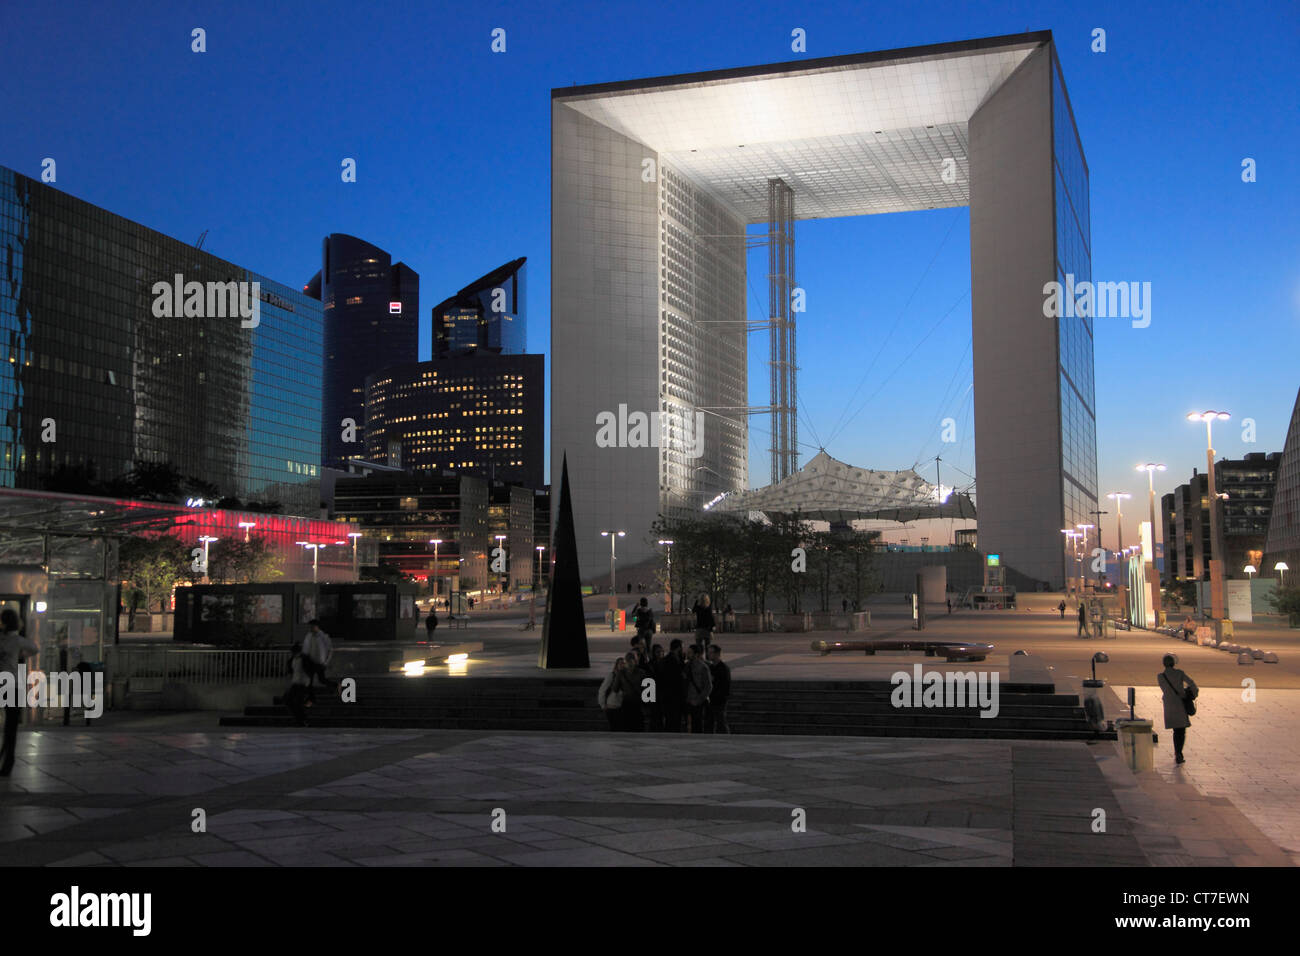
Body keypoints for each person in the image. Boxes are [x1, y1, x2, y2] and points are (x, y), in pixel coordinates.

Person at [0, 608, 39, 776]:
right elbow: (34, 648)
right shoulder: (17, 641)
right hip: (13, 685)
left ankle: (4, 755)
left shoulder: (1, 640)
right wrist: (22, 655)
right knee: (11, 725)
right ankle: (8, 760)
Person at [1158, 654, 1198, 764]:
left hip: (1169, 705)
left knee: (1176, 730)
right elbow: (1192, 683)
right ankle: (1179, 753)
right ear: (1174, 663)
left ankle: (1178, 753)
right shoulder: (1180, 673)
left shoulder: (1160, 676)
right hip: (1180, 703)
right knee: (1181, 730)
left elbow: (1165, 689)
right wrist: (1193, 694)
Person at [301, 619, 336, 702]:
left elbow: (330, 650)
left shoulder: (323, 636)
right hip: (310, 662)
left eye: (312, 627)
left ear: (317, 626)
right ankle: (311, 698)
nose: (310, 628)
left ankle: (335, 686)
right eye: (310, 627)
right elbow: (306, 648)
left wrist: (326, 662)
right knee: (310, 680)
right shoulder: (309, 636)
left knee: (322, 679)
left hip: (320, 663)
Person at [657, 639, 687, 732]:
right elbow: (678, 677)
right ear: (678, 648)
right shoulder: (673, 660)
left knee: (671, 720)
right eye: (682, 647)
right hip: (673, 696)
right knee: (673, 720)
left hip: (668, 695)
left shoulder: (666, 660)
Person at [684, 644, 713, 733]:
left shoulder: (703, 667)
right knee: (688, 725)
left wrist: (698, 700)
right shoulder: (686, 666)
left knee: (697, 724)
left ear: (696, 654)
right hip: (688, 700)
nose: (687, 654)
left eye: (690, 653)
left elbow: (708, 686)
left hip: (697, 701)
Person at [283, 642, 311, 727]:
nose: (294, 654)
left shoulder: (304, 659)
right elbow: (291, 672)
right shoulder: (291, 660)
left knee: (298, 702)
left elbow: (309, 671)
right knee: (288, 700)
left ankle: (302, 720)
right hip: (295, 683)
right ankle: (300, 719)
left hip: (303, 684)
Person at [706, 644, 731, 733]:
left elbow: (725, 687)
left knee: (721, 722)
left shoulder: (723, 669)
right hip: (711, 699)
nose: (708, 655)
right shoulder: (710, 667)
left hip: (720, 700)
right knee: (710, 722)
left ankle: (726, 738)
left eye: (710, 653)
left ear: (717, 654)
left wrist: (719, 697)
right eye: (708, 652)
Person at [619, 651, 645, 732]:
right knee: (638, 726)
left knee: (628, 727)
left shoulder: (622, 673)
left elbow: (615, 689)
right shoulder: (642, 672)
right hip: (637, 702)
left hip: (627, 702)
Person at [597, 658, 626, 730]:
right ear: (616, 665)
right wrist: (603, 705)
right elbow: (602, 690)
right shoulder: (612, 675)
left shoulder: (626, 676)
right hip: (612, 707)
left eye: (624, 663)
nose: (623, 665)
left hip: (621, 707)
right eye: (621, 663)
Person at [647, 644, 666, 731]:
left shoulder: (666, 663)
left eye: (661, 651)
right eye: (658, 652)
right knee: (654, 715)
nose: (660, 654)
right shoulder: (650, 664)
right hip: (653, 694)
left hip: (662, 693)